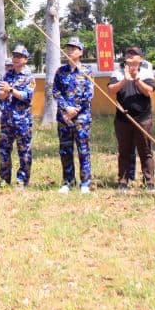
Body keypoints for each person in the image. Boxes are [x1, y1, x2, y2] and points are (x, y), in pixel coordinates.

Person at [107, 45, 155, 191]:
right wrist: (125, 80)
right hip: (123, 119)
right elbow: (111, 89)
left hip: (143, 119)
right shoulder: (118, 72)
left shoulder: (147, 73)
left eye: (133, 54)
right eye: (128, 53)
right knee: (124, 151)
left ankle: (149, 182)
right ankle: (123, 181)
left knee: (145, 151)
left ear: (140, 59)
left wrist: (136, 79)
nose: (129, 55)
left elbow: (149, 92)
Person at [54, 37, 95, 194]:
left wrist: (74, 110)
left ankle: (85, 182)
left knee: (83, 150)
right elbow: (56, 92)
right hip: (64, 118)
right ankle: (68, 181)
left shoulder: (87, 71)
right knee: (65, 150)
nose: (70, 50)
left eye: (73, 48)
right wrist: (66, 109)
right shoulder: (60, 71)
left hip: (81, 118)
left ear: (80, 52)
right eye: (68, 48)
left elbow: (89, 94)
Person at [0, 45, 35, 189]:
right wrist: (4, 93)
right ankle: (4, 179)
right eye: (14, 56)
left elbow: (27, 96)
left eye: (19, 56)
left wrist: (10, 90)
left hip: (22, 120)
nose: (16, 58)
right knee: (4, 150)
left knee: (24, 150)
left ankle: (22, 180)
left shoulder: (29, 77)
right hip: (7, 119)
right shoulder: (7, 75)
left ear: (25, 59)